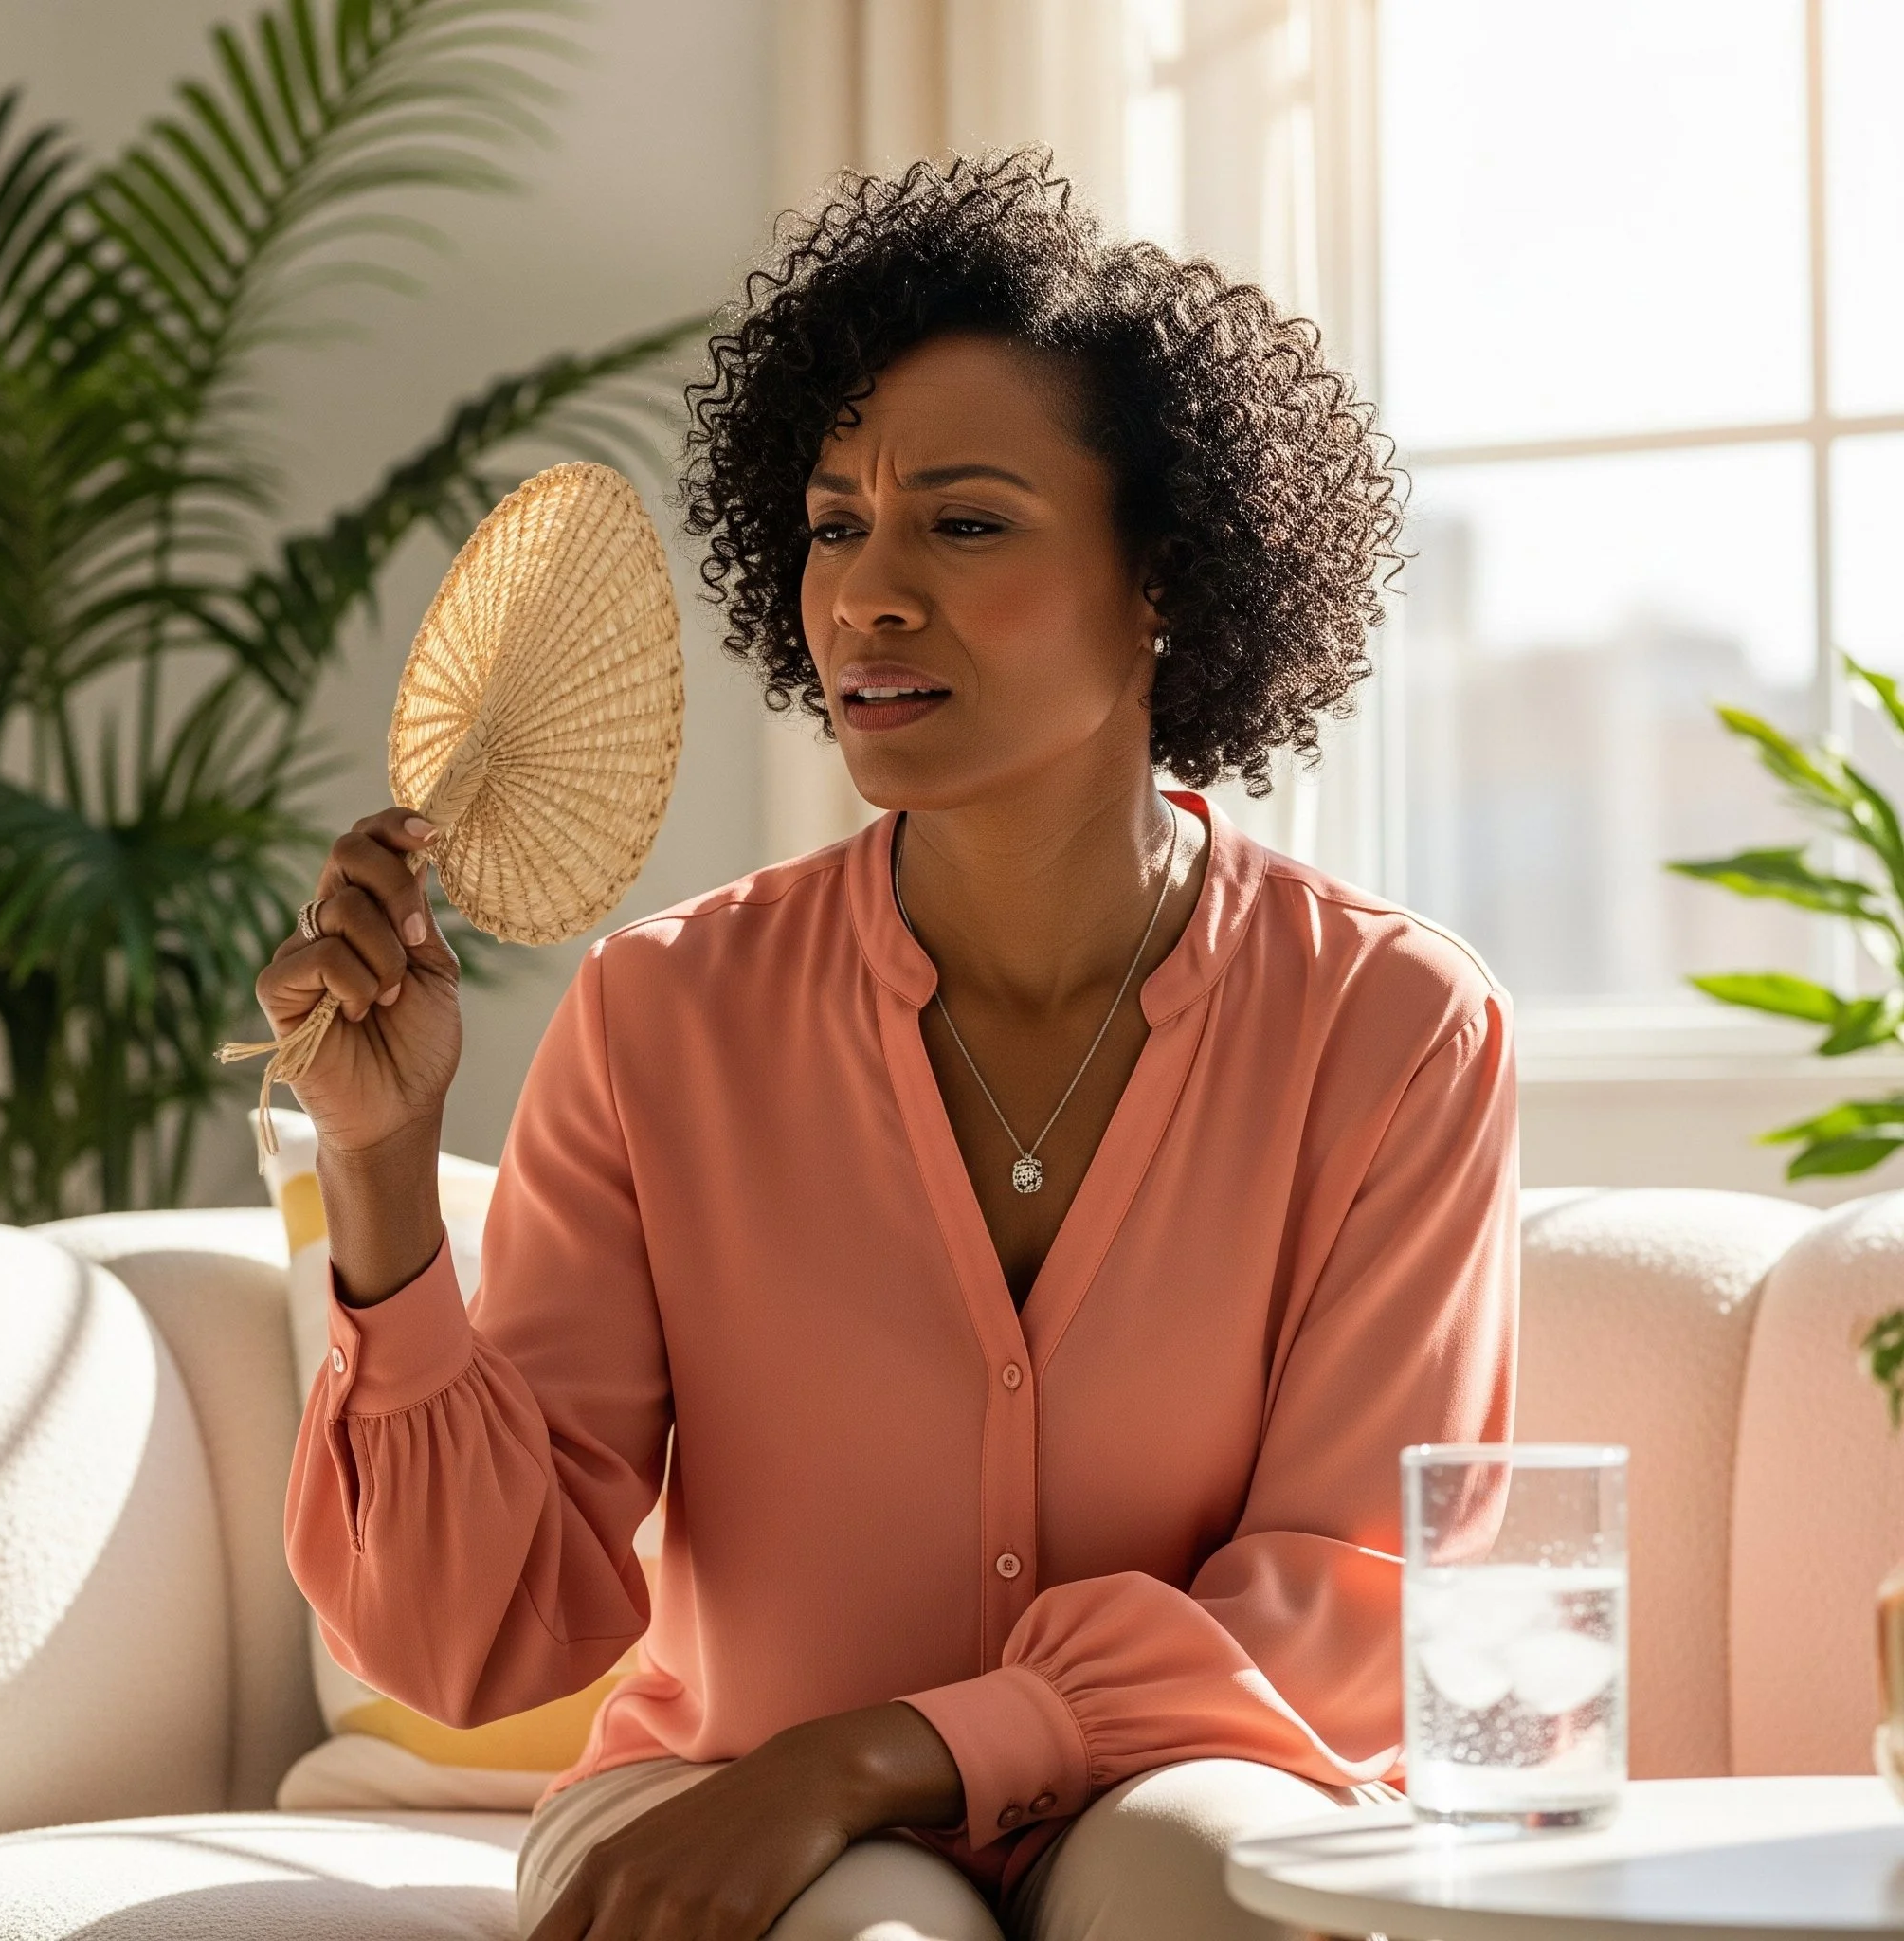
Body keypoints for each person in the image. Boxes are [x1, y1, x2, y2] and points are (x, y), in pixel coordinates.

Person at [269, 150, 1516, 1941]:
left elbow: (1358, 1600)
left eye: (966, 520)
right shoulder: (662, 1018)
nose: (867, 594)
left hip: (1181, 1782)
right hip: (720, 1794)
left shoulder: (1393, 1030)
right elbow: (484, 1633)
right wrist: (383, 1173)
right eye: (836, 523)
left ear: (1163, 574)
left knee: (1216, 1893)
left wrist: (877, 1753)